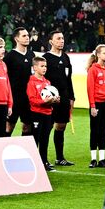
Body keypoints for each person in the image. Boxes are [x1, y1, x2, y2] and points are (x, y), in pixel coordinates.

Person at [43, 29, 75, 166]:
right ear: (51, 41)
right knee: (47, 127)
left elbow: (69, 79)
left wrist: (72, 97)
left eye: (62, 38)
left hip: (64, 97)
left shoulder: (66, 57)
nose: (61, 41)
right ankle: (43, 159)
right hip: (50, 98)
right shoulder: (46, 58)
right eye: (58, 39)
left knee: (61, 126)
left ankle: (60, 158)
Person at [86, 44, 105, 168]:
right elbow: (90, 89)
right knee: (95, 131)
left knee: (103, 131)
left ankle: (102, 159)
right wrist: (92, 106)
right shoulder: (93, 69)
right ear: (98, 55)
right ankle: (93, 159)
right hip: (97, 103)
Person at [25, 55, 58, 170]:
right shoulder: (31, 82)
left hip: (48, 114)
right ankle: (33, 162)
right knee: (35, 138)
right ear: (35, 68)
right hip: (36, 114)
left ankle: (44, 162)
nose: (45, 68)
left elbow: (50, 98)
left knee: (45, 139)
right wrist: (44, 101)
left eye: (45, 66)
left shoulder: (47, 82)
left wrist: (54, 100)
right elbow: (32, 100)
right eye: (42, 66)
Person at [3, 27, 35, 137]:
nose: (27, 38)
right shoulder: (10, 57)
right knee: (9, 126)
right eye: (24, 36)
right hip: (14, 98)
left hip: (28, 98)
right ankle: (3, 151)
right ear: (16, 39)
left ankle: (24, 152)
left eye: (28, 35)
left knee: (27, 126)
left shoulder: (32, 55)